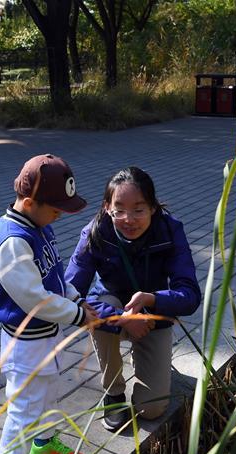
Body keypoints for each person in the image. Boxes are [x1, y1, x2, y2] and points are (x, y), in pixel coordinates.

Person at [0, 154, 97, 454]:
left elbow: (55, 276)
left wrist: (77, 299)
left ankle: (44, 444)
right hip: (25, 343)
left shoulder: (39, 226)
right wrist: (77, 315)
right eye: (56, 209)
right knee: (24, 408)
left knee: (48, 396)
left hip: (46, 336)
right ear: (31, 202)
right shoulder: (13, 242)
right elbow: (35, 299)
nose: (60, 215)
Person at [65, 167, 201, 431]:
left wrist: (153, 299)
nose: (129, 219)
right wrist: (121, 319)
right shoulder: (95, 232)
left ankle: (143, 354)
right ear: (107, 208)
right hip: (113, 310)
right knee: (101, 314)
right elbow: (70, 293)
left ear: (153, 207)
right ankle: (113, 393)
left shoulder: (170, 230)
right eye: (119, 210)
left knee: (151, 410)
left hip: (152, 315)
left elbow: (190, 295)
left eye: (138, 210)